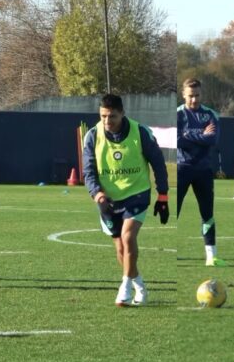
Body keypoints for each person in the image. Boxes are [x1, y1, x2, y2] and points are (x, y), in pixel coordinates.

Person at [83, 94, 169, 306]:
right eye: (103, 116)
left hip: (136, 194)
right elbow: (88, 171)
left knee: (128, 237)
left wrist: (163, 194)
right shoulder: (92, 136)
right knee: (121, 249)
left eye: (112, 116)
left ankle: (125, 288)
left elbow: (158, 163)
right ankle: (140, 286)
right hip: (108, 200)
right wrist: (97, 194)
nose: (107, 121)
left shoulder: (141, 132)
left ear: (122, 113)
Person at [176, 78, 226, 266]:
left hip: (204, 170)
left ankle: (211, 256)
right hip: (182, 168)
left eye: (197, 95)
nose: (194, 100)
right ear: (183, 94)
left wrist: (188, 135)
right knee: (175, 212)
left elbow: (212, 140)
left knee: (207, 213)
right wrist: (200, 135)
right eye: (190, 96)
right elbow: (178, 141)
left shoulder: (210, 114)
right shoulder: (178, 115)